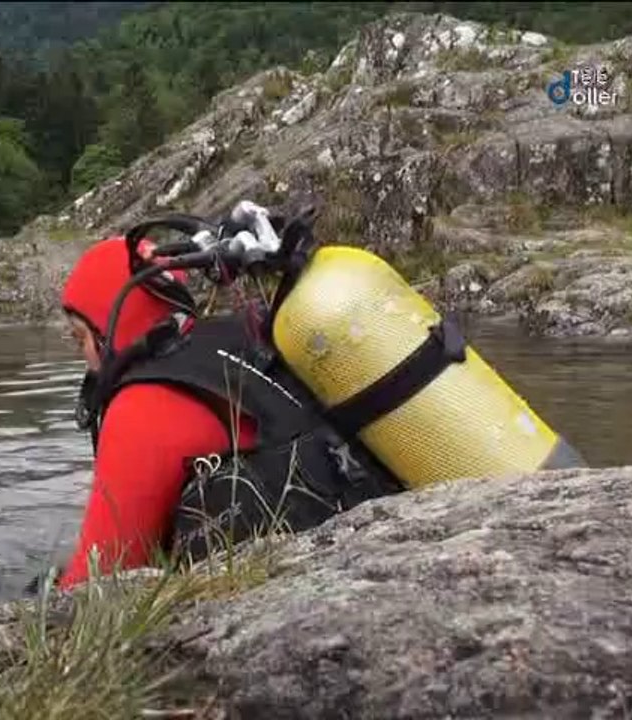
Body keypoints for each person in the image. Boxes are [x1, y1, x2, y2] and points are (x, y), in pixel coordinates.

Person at [55, 234, 402, 590]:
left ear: (110, 326)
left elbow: (97, 578)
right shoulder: (240, 338)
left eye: (79, 336)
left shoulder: (142, 408)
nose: (84, 357)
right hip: (376, 520)